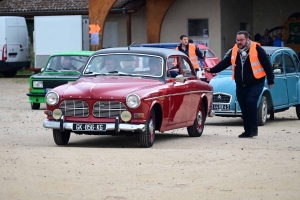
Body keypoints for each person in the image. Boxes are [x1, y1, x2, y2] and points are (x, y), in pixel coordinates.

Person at [204, 30, 274, 138]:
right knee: (244, 107)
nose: (239, 42)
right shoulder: (235, 50)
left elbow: (267, 65)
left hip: (256, 82)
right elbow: (225, 62)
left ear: (247, 39)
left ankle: (254, 130)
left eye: (241, 40)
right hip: (241, 84)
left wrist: (270, 80)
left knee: (251, 102)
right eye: (237, 40)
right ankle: (247, 131)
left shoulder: (257, 49)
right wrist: (212, 69)